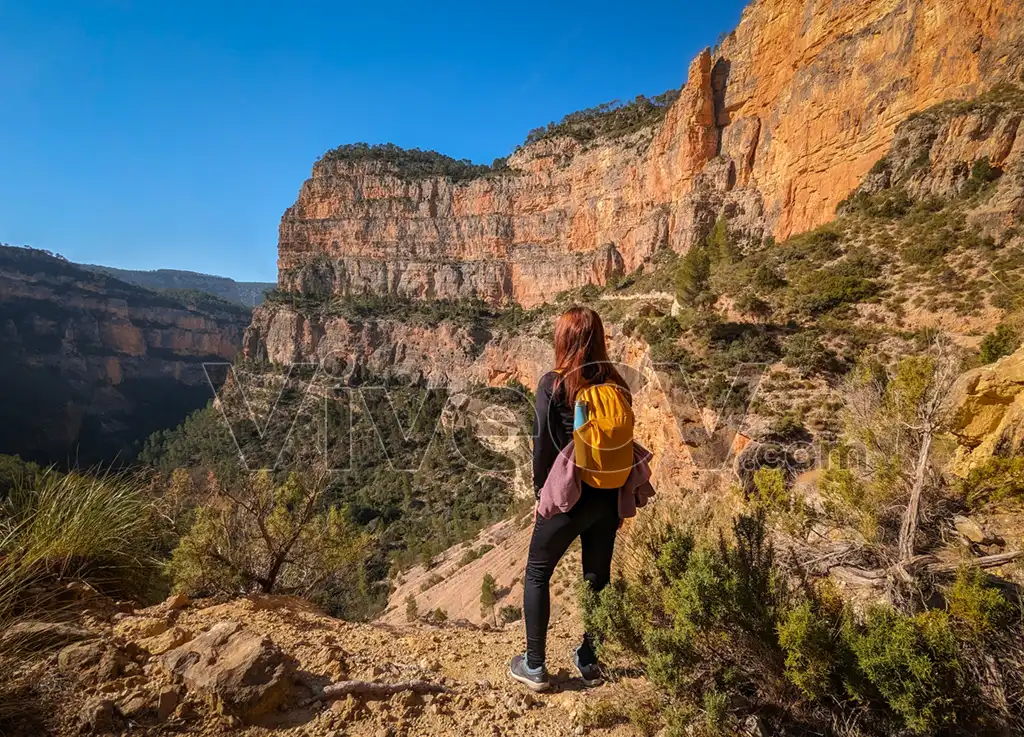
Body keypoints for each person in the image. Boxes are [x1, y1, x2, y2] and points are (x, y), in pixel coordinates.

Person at [508, 305, 632, 692]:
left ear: (563, 340)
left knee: (537, 573)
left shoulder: (554, 383)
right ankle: (590, 659)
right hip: (608, 495)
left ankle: (534, 665)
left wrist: (539, 495)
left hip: (568, 496)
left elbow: (543, 447)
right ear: (599, 338)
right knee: (597, 575)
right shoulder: (618, 384)